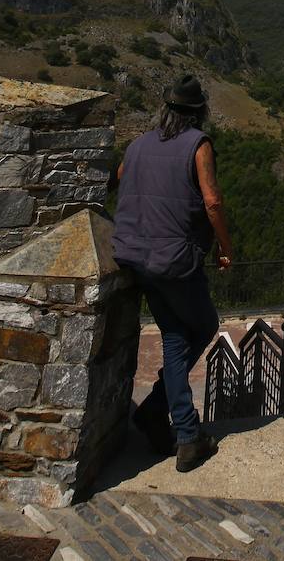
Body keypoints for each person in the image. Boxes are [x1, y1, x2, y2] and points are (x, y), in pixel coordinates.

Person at [112, 73, 234, 472]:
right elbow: (213, 202)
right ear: (199, 112)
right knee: (203, 326)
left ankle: (176, 429)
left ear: (164, 108)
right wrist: (225, 249)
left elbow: (119, 178)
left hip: (135, 258)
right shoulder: (198, 145)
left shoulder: (137, 145)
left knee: (175, 336)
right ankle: (179, 427)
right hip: (175, 261)